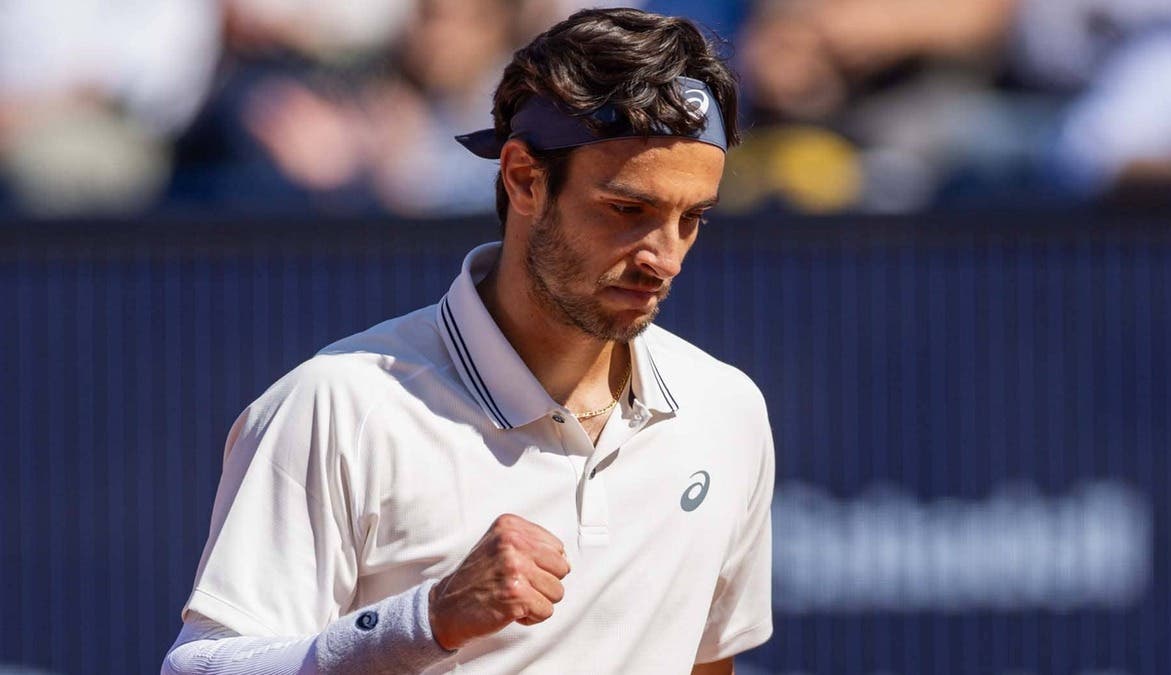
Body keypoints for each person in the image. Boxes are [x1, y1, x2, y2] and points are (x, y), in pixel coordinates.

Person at [162, 8, 775, 674]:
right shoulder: (334, 405)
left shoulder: (727, 409)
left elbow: (704, 662)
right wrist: (426, 620)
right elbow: (200, 667)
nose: (666, 257)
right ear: (524, 179)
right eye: (628, 209)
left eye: (692, 218)